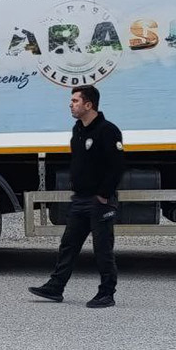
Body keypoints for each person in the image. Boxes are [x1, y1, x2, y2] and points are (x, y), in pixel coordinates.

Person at [30, 85, 125, 309]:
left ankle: (106, 293)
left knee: (102, 249)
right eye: (71, 101)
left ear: (88, 105)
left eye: (75, 101)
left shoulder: (108, 130)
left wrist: (103, 195)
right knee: (68, 245)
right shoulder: (78, 129)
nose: (70, 105)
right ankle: (55, 287)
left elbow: (117, 166)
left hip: (99, 201)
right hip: (80, 199)